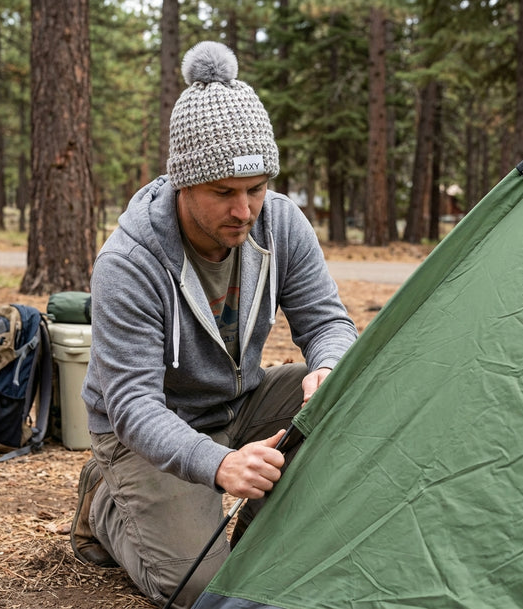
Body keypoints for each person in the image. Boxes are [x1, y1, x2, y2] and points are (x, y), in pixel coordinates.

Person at [70, 40, 358, 608]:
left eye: (256, 188)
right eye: (224, 193)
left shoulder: (280, 223)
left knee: (349, 393)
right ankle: (104, 501)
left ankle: (260, 524)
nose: (245, 210)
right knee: (201, 589)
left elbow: (328, 321)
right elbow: (131, 404)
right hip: (147, 434)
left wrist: (328, 367)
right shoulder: (130, 262)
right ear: (184, 182)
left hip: (240, 402)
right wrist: (221, 463)